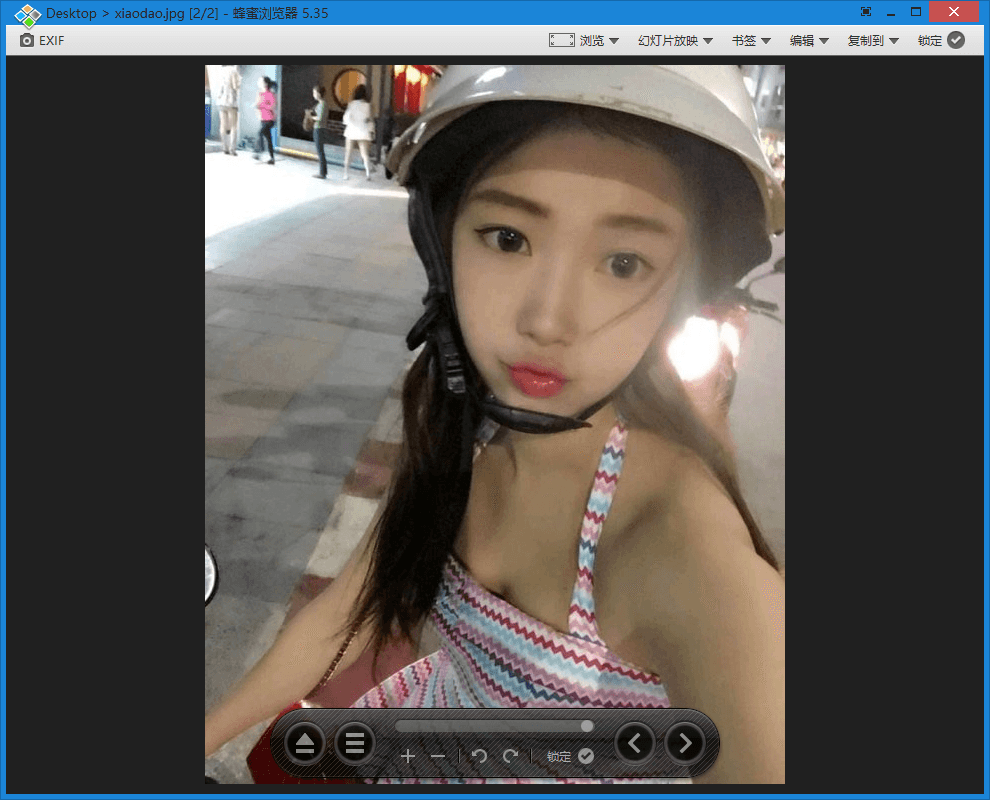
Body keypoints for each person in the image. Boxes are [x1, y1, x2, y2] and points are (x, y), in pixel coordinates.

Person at [205, 65, 785, 785]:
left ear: (680, 287)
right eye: (509, 238)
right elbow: (348, 609)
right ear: (442, 242)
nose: (548, 320)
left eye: (623, 262)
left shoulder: (679, 539)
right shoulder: (469, 433)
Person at [341, 83, 373, 180]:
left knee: (348, 153)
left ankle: (345, 173)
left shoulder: (351, 104)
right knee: (365, 154)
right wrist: (371, 131)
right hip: (363, 131)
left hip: (351, 130)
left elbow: (346, 118)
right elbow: (370, 120)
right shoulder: (368, 106)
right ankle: (368, 174)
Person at [215, 65, 241, 156]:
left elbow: (220, 90)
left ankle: (224, 148)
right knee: (233, 126)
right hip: (231, 102)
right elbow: (235, 86)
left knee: (223, 125)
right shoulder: (233, 71)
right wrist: (239, 81)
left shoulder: (221, 71)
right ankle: (232, 149)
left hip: (221, 102)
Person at [253, 76, 276, 164]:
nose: (259, 82)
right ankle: (272, 158)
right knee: (268, 139)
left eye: (261, 81)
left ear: (265, 83)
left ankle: (258, 152)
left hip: (270, 120)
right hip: (263, 119)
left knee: (260, 133)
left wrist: (262, 106)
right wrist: (257, 108)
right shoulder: (260, 94)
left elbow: (272, 106)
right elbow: (258, 105)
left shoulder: (270, 94)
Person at [309, 85, 331, 179]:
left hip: (319, 129)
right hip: (320, 129)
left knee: (320, 151)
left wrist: (311, 117)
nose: (313, 94)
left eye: (314, 92)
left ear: (319, 93)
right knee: (320, 151)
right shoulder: (322, 104)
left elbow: (320, 118)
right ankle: (323, 171)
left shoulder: (322, 104)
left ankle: (322, 173)